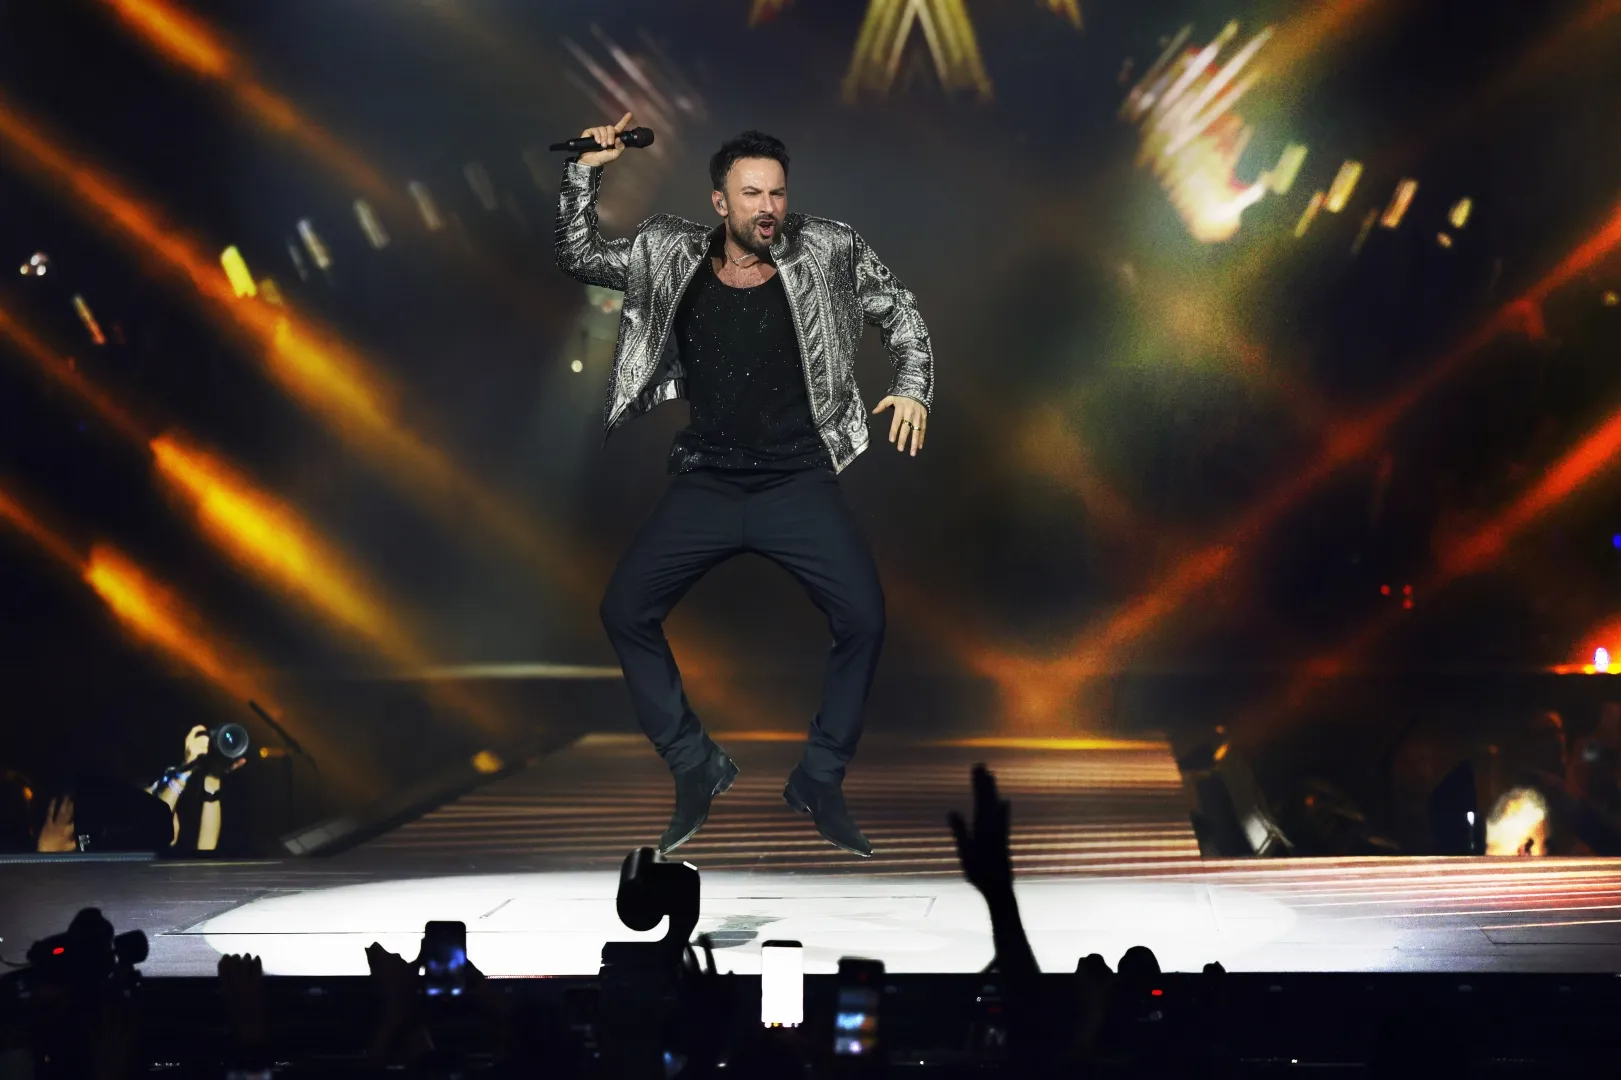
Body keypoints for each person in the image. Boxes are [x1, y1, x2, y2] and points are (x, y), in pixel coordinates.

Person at [557, 114, 935, 858]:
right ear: (720, 203)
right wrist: (585, 173)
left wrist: (914, 384)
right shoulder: (668, 252)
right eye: (752, 194)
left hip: (797, 481)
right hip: (707, 480)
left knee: (863, 618)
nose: (768, 208)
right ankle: (694, 762)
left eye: (777, 194)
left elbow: (900, 310)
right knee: (624, 609)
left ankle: (819, 779)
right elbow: (579, 253)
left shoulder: (828, 248)